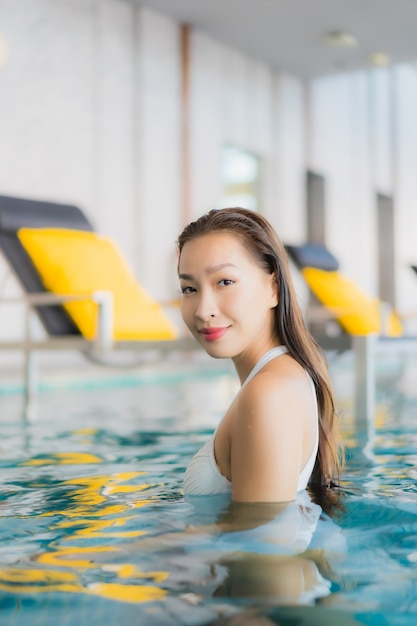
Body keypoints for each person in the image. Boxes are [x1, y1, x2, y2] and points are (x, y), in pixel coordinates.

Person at [177, 207, 344, 503]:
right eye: (189, 288)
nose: (203, 310)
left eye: (225, 282)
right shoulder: (281, 378)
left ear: (273, 288)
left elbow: (263, 546)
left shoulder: (269, 393)